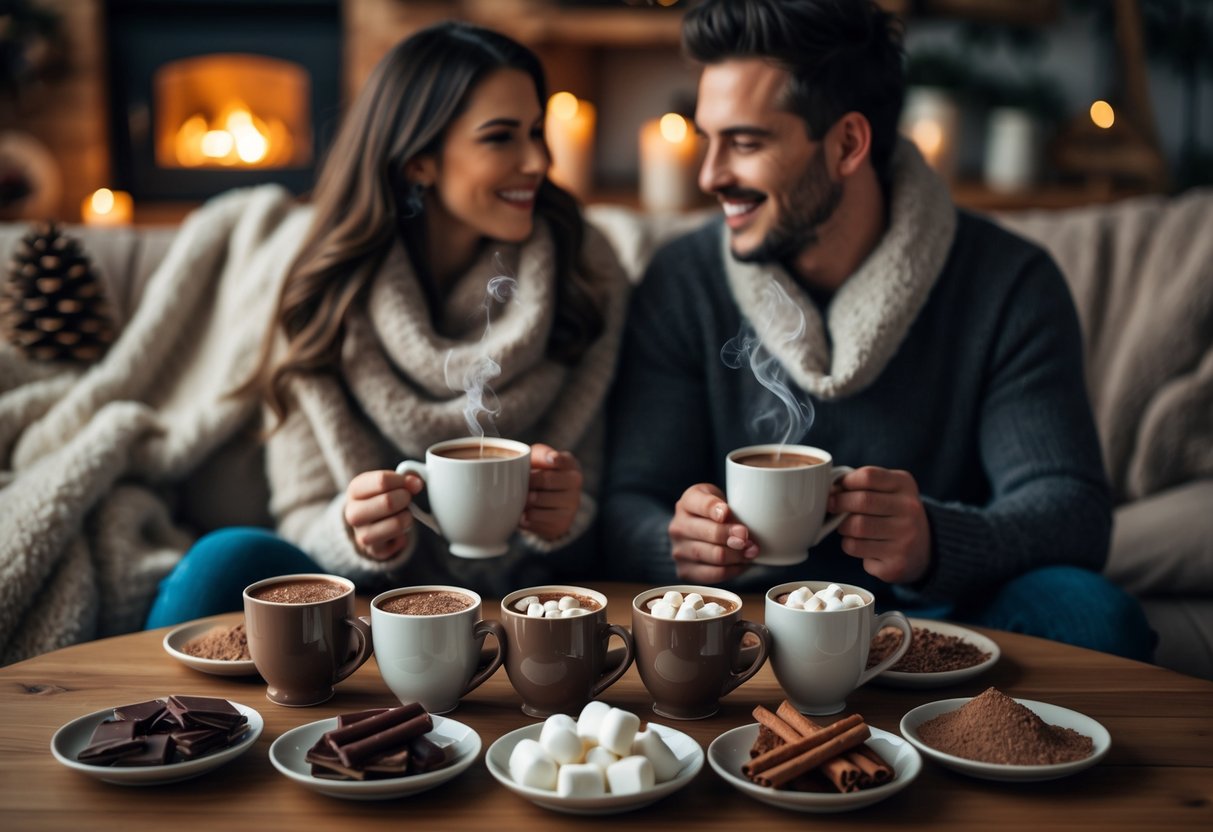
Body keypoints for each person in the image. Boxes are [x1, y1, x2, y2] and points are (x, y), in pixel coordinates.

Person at [601, 0, 1155, 660]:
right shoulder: (683, 280)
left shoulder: (1006, 282)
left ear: (846, 144)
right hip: (747, 616)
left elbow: (1071, 510)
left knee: (1096, 617)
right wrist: (677, 540)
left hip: (942, 610)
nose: (709, 175)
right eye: (706, 140)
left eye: (745, 143)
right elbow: (627, 497)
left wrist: (934, 541)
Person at [146, 21, 628, 626]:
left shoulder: (585, 272)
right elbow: (299, 518)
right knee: (223, 559)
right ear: (420, 161)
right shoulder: (324, 287)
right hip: (364, 609)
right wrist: (354, 529)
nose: (538, 160)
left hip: (533, 613)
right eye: (501, 137)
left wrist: (566, 517)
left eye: (536, 131)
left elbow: (598, 526)